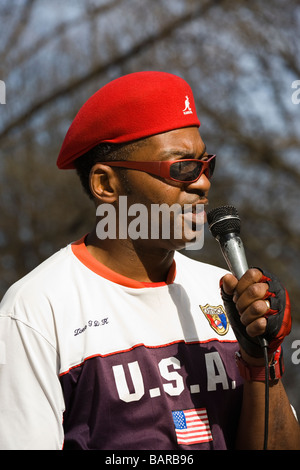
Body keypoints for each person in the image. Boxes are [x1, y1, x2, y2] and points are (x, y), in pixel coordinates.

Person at [0, 71, 299, 450]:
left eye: (206, 165)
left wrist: (261, 361)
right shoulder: (35, 311)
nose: (203, 182)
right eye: (181, 168)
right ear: (106, 185)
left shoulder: (223, 291)